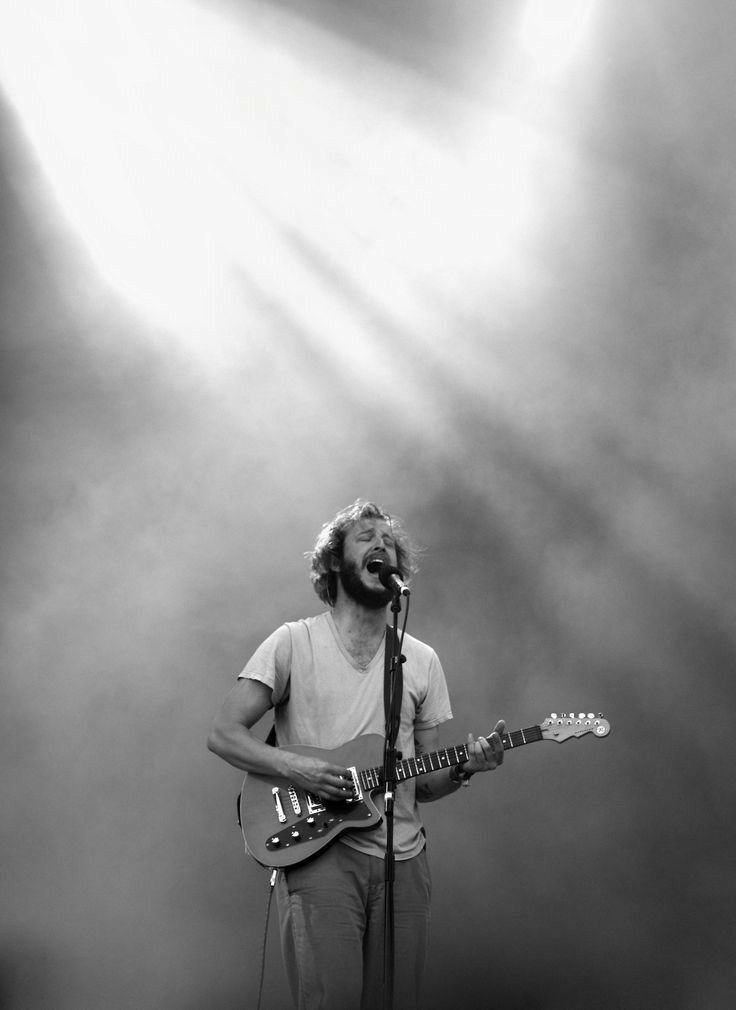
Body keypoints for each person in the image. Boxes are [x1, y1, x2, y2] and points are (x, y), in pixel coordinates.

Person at [207, 499, 505, 1010]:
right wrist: (296, 766)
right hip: (320, 851)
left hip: (404, 859)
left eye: (389, 541)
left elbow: (425, 782)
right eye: (367, 537)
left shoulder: (422, 660)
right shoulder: (292, 643)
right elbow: (224, 733)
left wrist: (465, 767)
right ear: (333, 563)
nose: (382, 545)